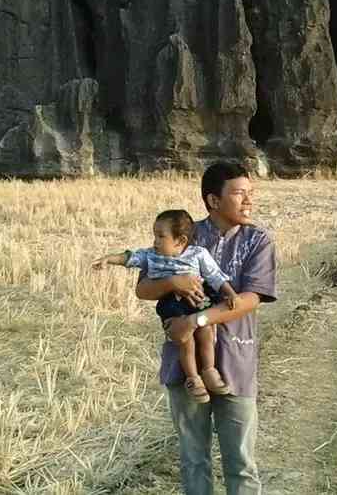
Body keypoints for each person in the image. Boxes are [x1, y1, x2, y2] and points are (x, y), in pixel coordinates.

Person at [136, 161, 277, 495]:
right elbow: (143, 289)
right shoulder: (182, 234)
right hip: (184, 367)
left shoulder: (258, 241)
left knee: (241, 463)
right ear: (213, 200)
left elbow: (250, 298)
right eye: (239, 193)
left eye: (250, 194)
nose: (248, 201)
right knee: (193, 460)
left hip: (236, 361)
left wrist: (197, 320)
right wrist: (174, 280)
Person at [92, 209, 240, 402]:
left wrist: (229, 293)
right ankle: (193, 378)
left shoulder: (198, 254)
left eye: (161, 236)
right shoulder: (151, 255)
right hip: (172, 304)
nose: (155, 241)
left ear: (180, 241)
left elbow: (214, 276)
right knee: (185, 340)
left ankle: (209, 371)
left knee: (206, 332)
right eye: (154, 235)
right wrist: (109, 258)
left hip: (197, 298)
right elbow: (130, 258)